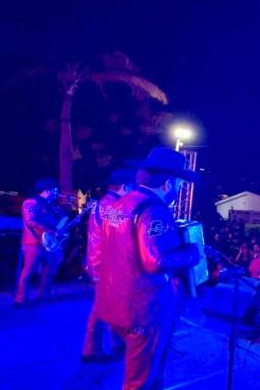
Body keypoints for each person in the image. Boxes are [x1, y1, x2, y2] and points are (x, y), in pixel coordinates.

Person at [95, 147, 201, 390]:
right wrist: (192, 252)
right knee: (140, 380)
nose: (180, 189)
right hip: (142, 309)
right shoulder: (154, 211)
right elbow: (155, 261)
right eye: (180, 184)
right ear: (167, 184)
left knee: (138, 368)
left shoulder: (116, 205)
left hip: (113, 302)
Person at [81, 168, 135, 362]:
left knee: (109, 307)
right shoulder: (112, 207)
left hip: (98, 263)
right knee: (101, 309)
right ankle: (91, 351)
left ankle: (113, 346)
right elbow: (119, 238)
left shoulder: (103, 203)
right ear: (125, 186)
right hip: (105, 266)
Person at [14, 179, 64, 306]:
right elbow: (30, 221)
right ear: (47, 190)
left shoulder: (50, 206)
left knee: (48, 270)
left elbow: (53, 224)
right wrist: (50, 229)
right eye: (54, 190)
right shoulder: (30, 202)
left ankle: (43, 296)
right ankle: (21, 299)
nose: (56, 193)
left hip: (47, 243)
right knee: (29, 270)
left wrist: (60, 229)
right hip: (33, 242)